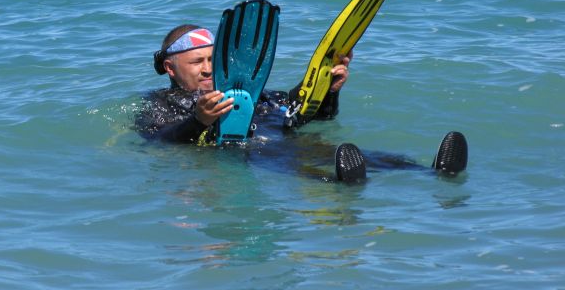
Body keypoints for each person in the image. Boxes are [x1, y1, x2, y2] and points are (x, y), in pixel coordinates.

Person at [135, 23, 468, 182]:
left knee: (335, 150)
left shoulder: (249, 91)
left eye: (213, 59)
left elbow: (304, 112)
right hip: (246, 151)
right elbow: (159, 141)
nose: (208, 69)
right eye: (197, 62)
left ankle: (430, 171)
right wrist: (199, 120)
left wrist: (329, 90)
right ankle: (340, 183)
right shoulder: (161, 103)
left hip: (280, 136)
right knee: (289, 161)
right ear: (171, 68)